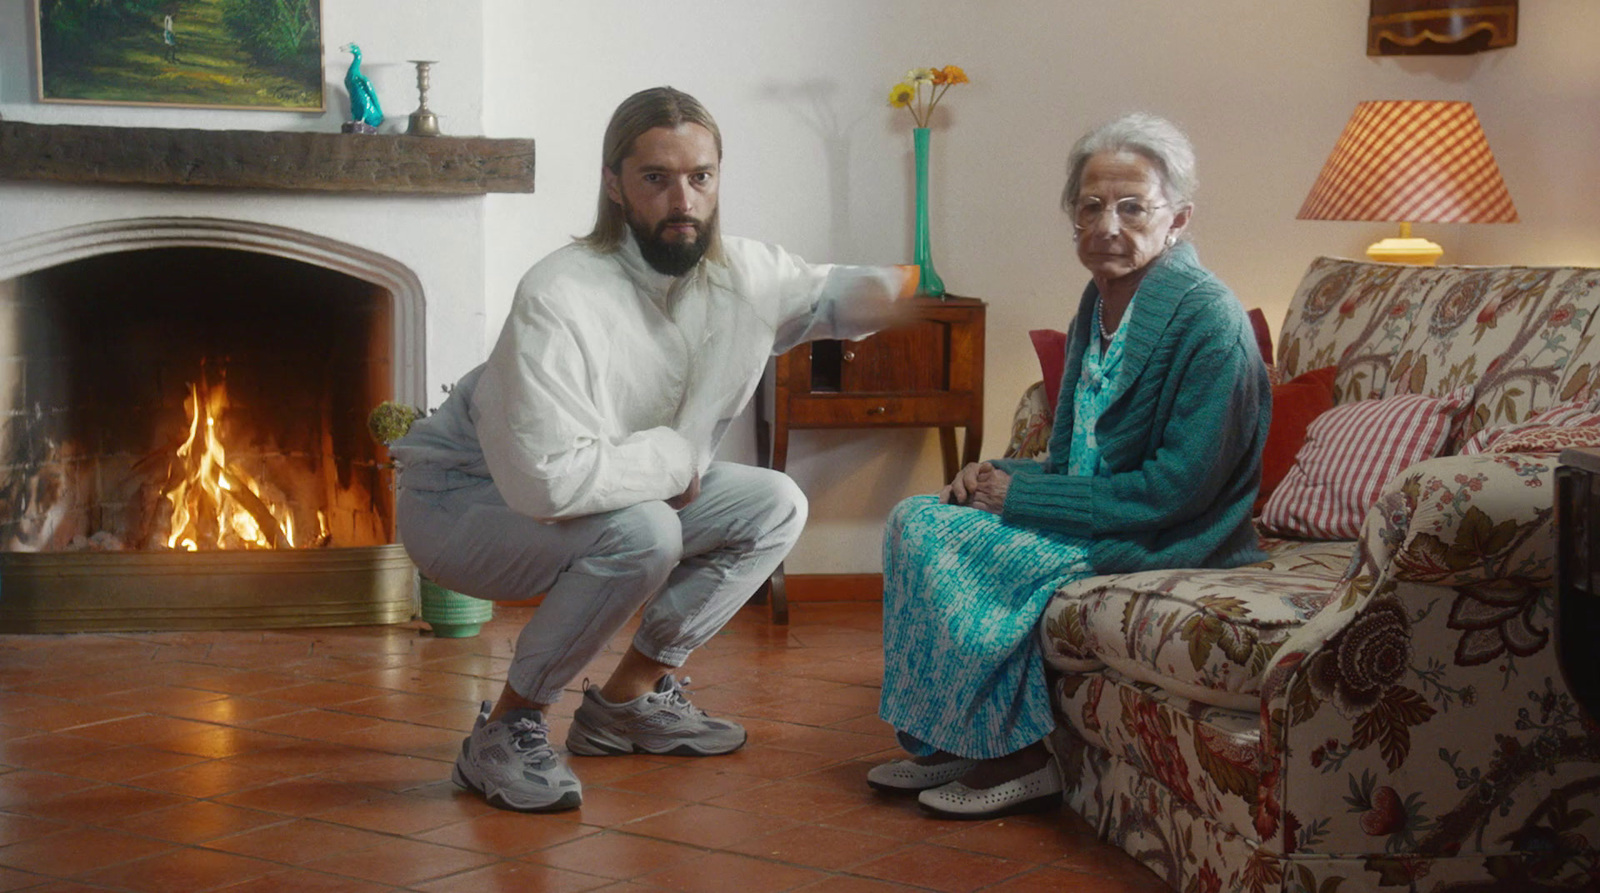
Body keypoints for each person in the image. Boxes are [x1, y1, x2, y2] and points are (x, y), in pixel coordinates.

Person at [389, 86, 914, 813]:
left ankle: (626, 701)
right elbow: (545, 481)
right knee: (646, 530)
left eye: (701, 177)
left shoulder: (742, 275)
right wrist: (677, 465)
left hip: (631, 492)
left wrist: (904, 284)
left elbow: (826, 293)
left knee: (775, 503)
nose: (683, 200)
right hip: (463, 504)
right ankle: (507, 726)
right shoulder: (558, 292)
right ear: (613, 184)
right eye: (657, 178)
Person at [869, 113, 1270, 820]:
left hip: (1174, 532)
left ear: (1178, 218)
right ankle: (958, 736)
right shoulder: (1102, 299)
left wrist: (1017, 502)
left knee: (933, 534)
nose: (1106, 224)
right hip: (1103, 509)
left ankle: (1020, 756)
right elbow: (1072, 458)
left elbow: (1175, 490)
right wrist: (994, 476)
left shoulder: (1209, 319)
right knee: (926, 512)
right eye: (1090, 205)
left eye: (1131, 206)